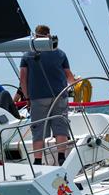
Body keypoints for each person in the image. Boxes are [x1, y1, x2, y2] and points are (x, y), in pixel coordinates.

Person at [20, 24, 76, 165]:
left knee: (38, 130)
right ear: (49, 35)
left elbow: (23, 79)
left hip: (38, 98)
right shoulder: (60, 53)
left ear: (35, 36)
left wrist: (27, 98)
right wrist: (75, 83)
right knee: (60, 127)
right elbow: (69, 77)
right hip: (59, 96)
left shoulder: (28, 55)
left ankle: (38, 160)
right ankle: (61, 157)